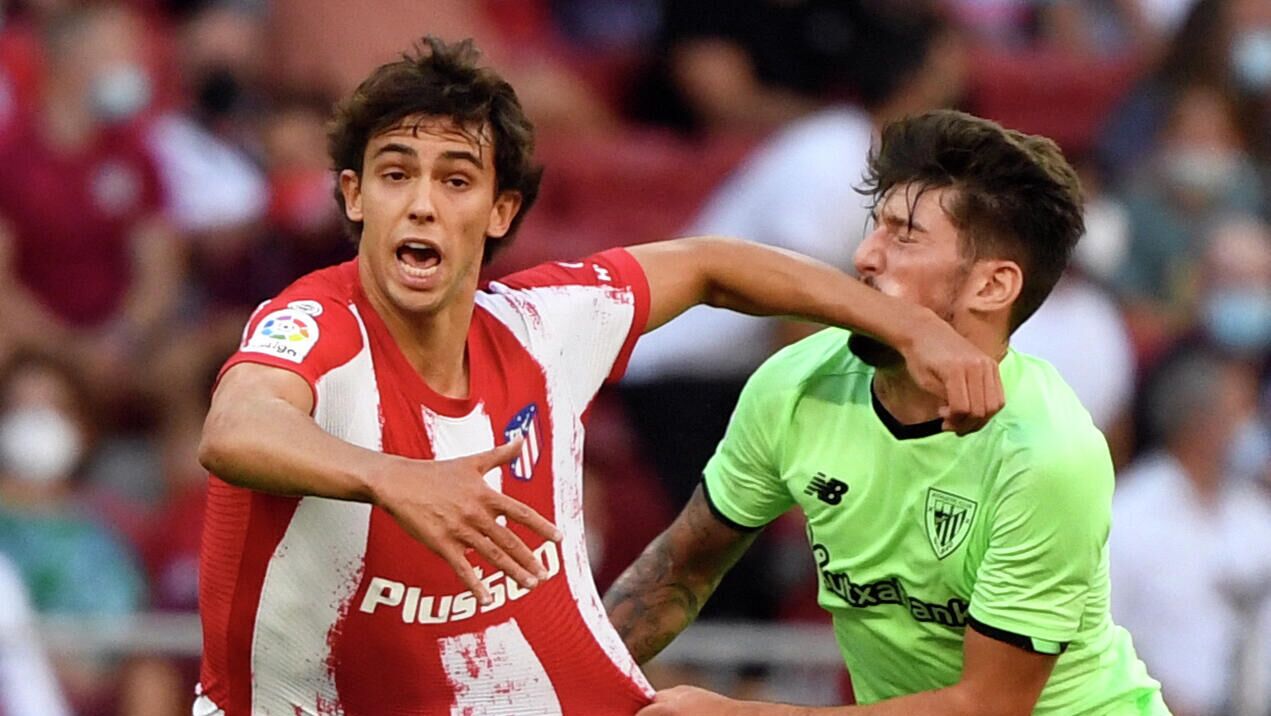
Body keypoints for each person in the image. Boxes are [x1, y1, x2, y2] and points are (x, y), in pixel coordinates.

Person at [194, 37, 1004, 715]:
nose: (421, 204)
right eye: (395, 173)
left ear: (501, 211)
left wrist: (911, 329)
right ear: (355, 196)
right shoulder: (313, 322)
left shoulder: (544, 326)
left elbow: (712, 264)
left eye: (455, 179)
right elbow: (236, 426)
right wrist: (390, 478)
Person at [606, 110, 1170, 715]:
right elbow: (681, 570)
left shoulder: (1048, 453)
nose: (864, 255)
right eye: (873, 225)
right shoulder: (795, 384)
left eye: (904, 235)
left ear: (992, 287)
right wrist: (557, 687)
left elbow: (988, 707)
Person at [1111, 348, 1271, 716]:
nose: (1250, 426)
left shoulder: (1254, 515)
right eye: (1240, 411)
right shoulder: (1129, 516)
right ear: (1202, 423)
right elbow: (1101, 636)